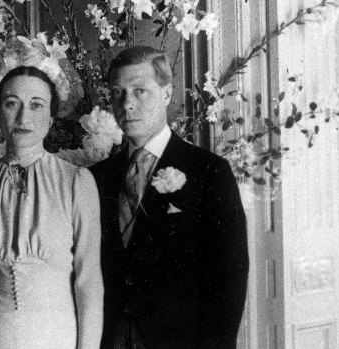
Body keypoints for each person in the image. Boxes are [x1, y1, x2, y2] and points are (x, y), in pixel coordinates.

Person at [90, 46, 249, 348]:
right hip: (109, 337)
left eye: (140, 91)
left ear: (166, 93)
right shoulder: (96, 177)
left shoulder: (208, 172)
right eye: (117, 92)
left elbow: (229, 277)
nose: (127, 104)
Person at [0, 65, 104, 349]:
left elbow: (89, 282)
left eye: (36, 105)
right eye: (12, 104)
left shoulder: (77, 182)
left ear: (50, 118)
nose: (23, 117)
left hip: (57, 337)